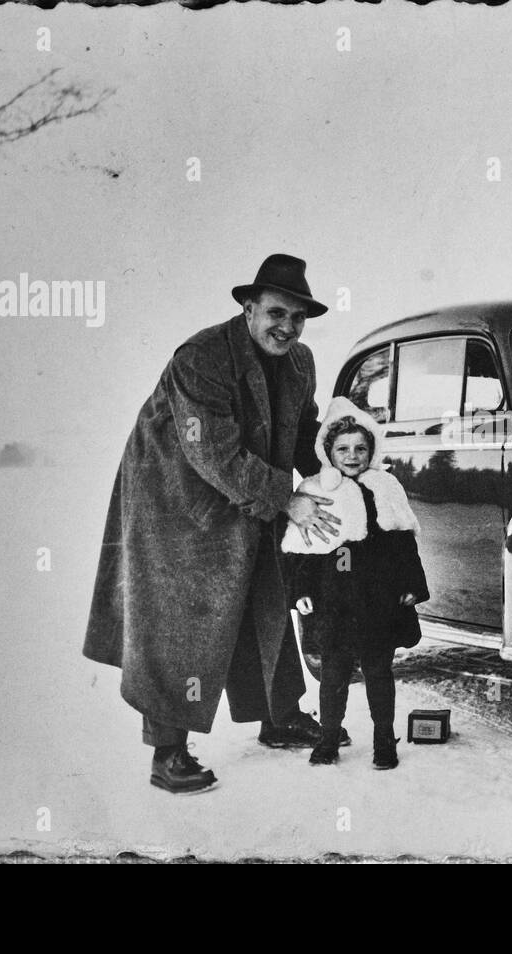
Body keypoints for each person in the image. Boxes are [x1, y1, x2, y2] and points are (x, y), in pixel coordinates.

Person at [83, 253, 346, 794]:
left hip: (248, 492)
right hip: (175, 502)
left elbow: (303, 432)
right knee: (180, 619)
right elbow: (213, 455)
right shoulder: (202, 356)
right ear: (249, 309)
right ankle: (168, 753)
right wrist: (286, 498)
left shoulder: (300, 362)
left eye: (298, 319)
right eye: (276, 313)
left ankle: (279, 717)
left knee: (264, 594)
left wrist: (341, 465)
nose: (287, 328)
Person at [281, 397, 430, 770]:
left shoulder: (386, 486)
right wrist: (300, 592)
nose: (352, 455)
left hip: (379, 601)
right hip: (333, 603)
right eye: (342, 448)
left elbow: (404, 543)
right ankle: (329, 737)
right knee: (333, 675)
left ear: (372, 451)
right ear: (327, 451)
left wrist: (411, 585)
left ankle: (384, 739)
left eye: (361, 448)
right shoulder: (317, 489)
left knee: (379, 671)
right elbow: (303, 551)